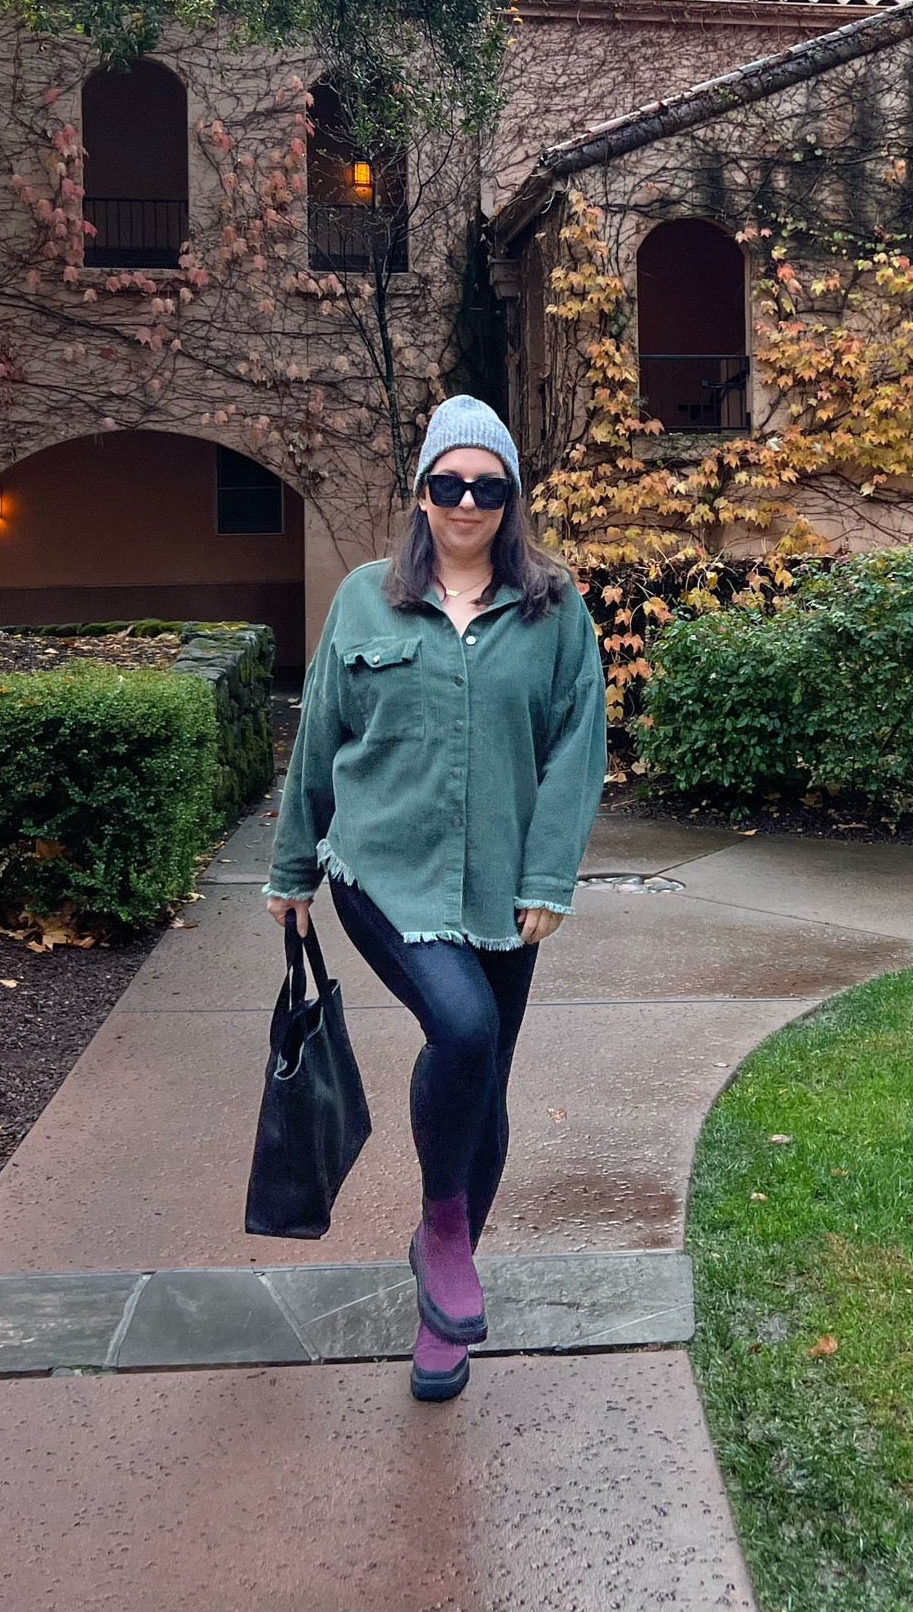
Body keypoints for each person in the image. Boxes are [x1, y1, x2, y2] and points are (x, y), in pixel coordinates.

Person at [264, 396, 607, 1401]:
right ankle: (442, 1230)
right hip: (383, 865)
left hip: (507, 884)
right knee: (460, 1028)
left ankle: (441, 1316)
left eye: (486, 485)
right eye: (447, 482)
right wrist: (291, 869)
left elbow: (576, 749)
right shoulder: (368, 600)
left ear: (509, 497)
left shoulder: (553, 607)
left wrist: (547, 875)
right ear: (421, 492)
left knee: (484, 1077)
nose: (465, 500)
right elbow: (319, 736)